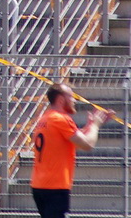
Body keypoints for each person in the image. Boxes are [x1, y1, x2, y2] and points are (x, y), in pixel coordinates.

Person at [30, 83, 114, 218]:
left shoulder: (46, 118)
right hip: (55, 187)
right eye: (71, 96)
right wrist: (96, 126)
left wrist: (90, 125)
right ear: (61, 100)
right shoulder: (61, 119)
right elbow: (87, 144)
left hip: (40, 186)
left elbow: (71, 140)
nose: (74, 100)